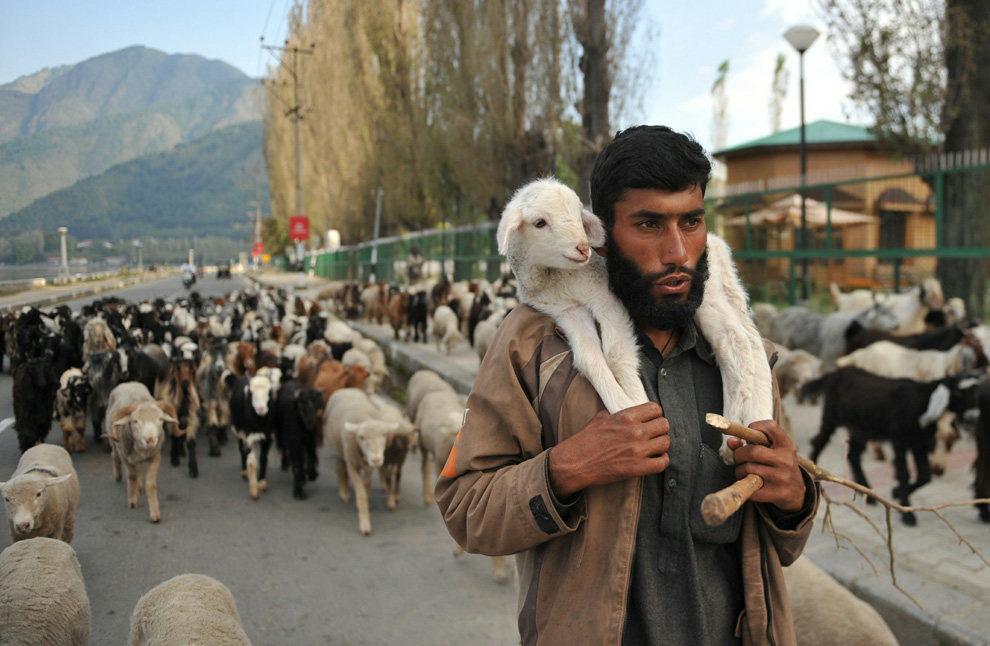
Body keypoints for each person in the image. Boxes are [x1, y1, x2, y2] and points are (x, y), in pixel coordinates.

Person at [435, 125, 818, 646]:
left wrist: (793, 498)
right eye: (649, 224)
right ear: (601, 235)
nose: (677, 251)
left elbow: (782, 546)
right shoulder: (532, 345)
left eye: (692, 221)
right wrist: (569, 467)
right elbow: (465, 506)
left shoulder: (745, 359)